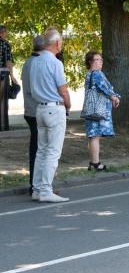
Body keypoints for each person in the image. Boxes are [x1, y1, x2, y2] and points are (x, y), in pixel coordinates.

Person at [28, 28, 71, 202]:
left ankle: (37, 188)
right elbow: (63, 90)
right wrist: (68, 105)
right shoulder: (55, 63)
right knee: (53, 152)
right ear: (57, 43)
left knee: (42, 151)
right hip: (55, 108)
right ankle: (45, 189)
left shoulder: (34, 61)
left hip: (40, 108)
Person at [81, 51, 120, 171]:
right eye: (97, 59)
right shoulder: (96, 74)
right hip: (97, 110)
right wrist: (113, 97)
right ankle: (95, 163)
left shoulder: (90, 74)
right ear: (90, 62)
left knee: (94, 136)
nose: (100, 62)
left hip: (93, 109)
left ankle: (94, 162)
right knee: (95, 136)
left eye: (101, 59)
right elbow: (103, 88)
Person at [21, 35, 45, 193]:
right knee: (39, 150)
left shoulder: (28, 62)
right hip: (37, 110)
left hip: (30, 110)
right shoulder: (38, 63)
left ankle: (37, 184)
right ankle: (36, 185)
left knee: (37, 148)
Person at [0, 24, 16, 131]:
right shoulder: (5, 44)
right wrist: (12, 77)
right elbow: (8, 62)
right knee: (2, 101)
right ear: (2, 33)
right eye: (6, 33)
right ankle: (2, 125)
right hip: (2, 76)